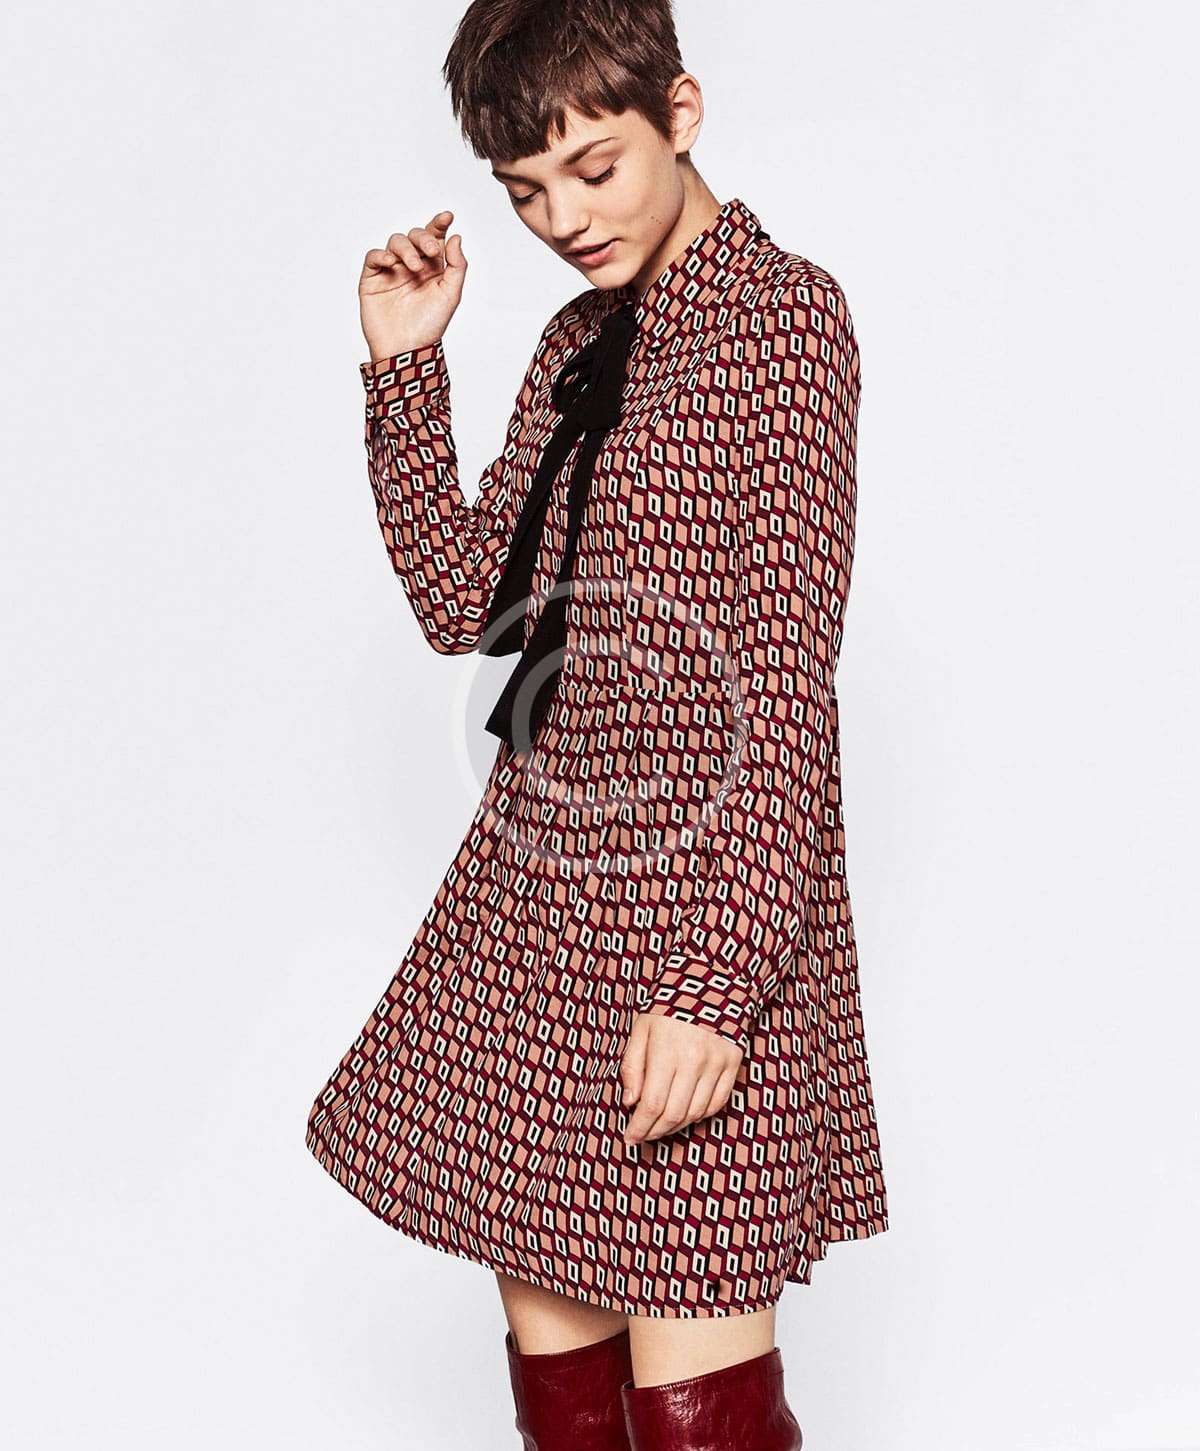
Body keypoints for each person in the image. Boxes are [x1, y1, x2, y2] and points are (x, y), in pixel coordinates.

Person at [305, 2, 889, 1445]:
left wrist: (714, 986)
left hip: (704, 908)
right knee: (564, 1392)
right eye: (526, 191)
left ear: (679, 112)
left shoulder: (783, 323)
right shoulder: (576, 338)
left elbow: (784, 678)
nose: (564, 219)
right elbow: (470, 603)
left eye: (594, 168)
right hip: (539, 905)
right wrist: (403, 369)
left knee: (697, 1398)